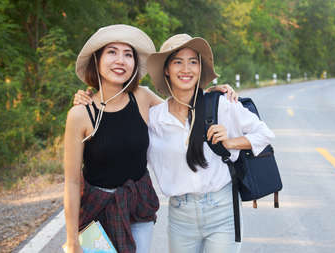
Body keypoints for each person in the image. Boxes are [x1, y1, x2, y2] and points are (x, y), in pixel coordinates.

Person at [67, 25, 236, 253]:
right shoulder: (80, 114)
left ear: (135, 64)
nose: (121, 60)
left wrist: (212, 93)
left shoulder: (142, 98)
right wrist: (72, 240)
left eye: (128, 55)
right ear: (97, 60)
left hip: (138, 204)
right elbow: (72, 182)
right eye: (112, 52)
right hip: (97, 209)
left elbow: (182, 106)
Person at [146, 34, 275, 253]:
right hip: (180, 216)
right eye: (178, 61)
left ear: (200, 69)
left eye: (193, 62)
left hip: (222, 211)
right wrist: (86, 103)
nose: (186, 68)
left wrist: (231, 142)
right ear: (166, 69)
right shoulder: (155, 118)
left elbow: (263, 134)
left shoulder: (221, 105)